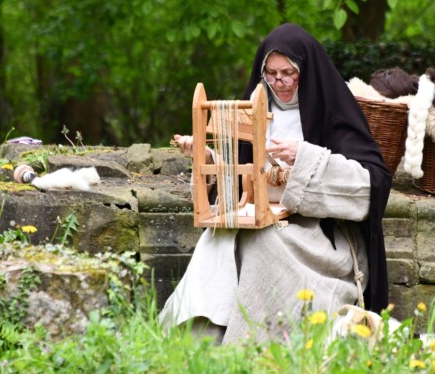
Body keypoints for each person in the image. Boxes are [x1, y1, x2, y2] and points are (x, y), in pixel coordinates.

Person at [159, 23, 392, 344]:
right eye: (270, 73)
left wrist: (305, 158)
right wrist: (208, 158)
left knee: (263, 241)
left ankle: (251, 345)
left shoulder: (331, 110)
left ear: (305, 71)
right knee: (218, 240)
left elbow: (373, 183)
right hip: (262, 218)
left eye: (288, 73)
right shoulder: (254, 109)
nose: (279, 82)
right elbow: (239, 177)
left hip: (319, 236)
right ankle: (197, 340)